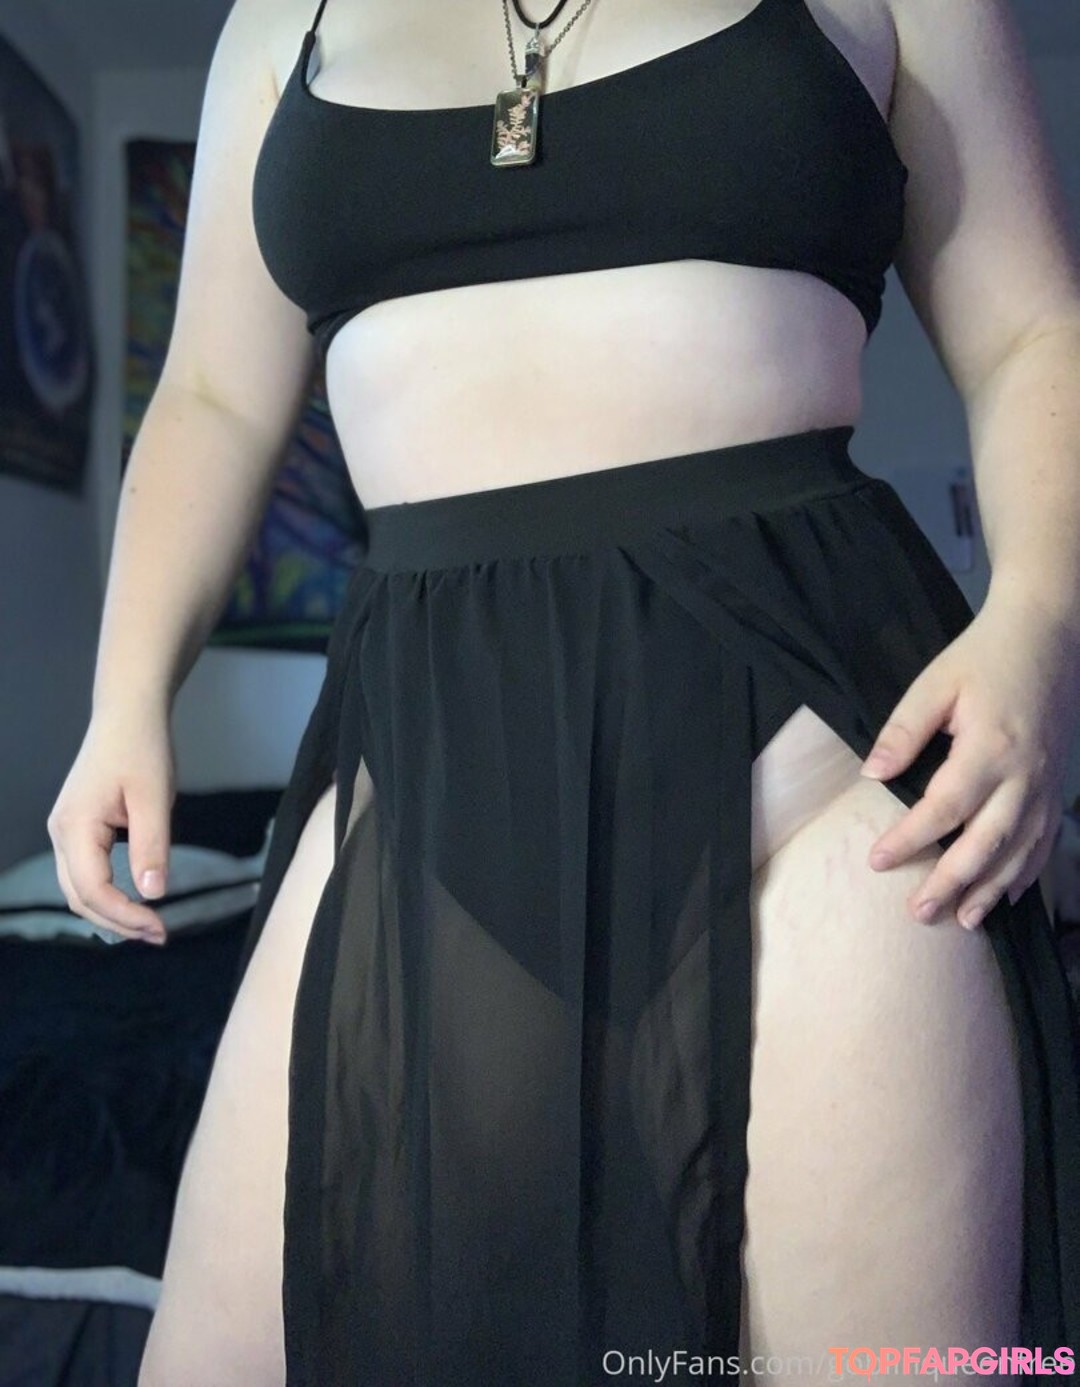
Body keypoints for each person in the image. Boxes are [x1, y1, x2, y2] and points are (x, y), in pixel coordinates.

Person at [47, 0, 1080, 1382]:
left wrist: (1039, 622)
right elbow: (213, 399)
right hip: (425, 758)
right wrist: (124, 697)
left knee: (889, 1363)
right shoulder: (282, 20)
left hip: (821, 746)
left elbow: (1033, 331)